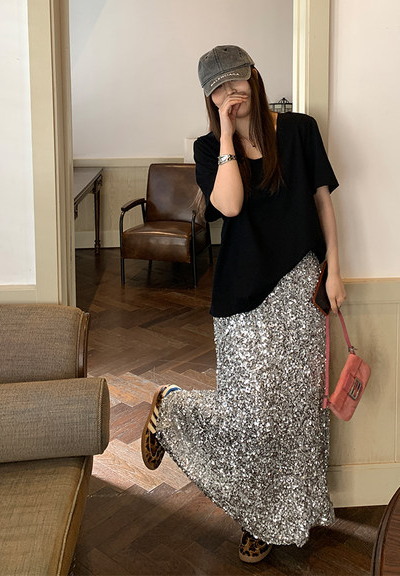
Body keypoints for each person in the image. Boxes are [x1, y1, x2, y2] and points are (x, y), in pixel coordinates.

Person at [141, 45, 346, 563]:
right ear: (209, 98)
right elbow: (229, 204)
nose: (231, 93)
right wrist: (229, 135)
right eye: (219, 89)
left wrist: (336, 269)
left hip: (301, 287)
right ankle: (173, 406)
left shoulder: (299, 130)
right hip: (241, 294)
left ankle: (271, 521)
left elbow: (323, 200)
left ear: (254, 76)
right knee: (251, 414)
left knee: (297, 411)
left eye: (237, 81)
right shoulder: (209, 148)